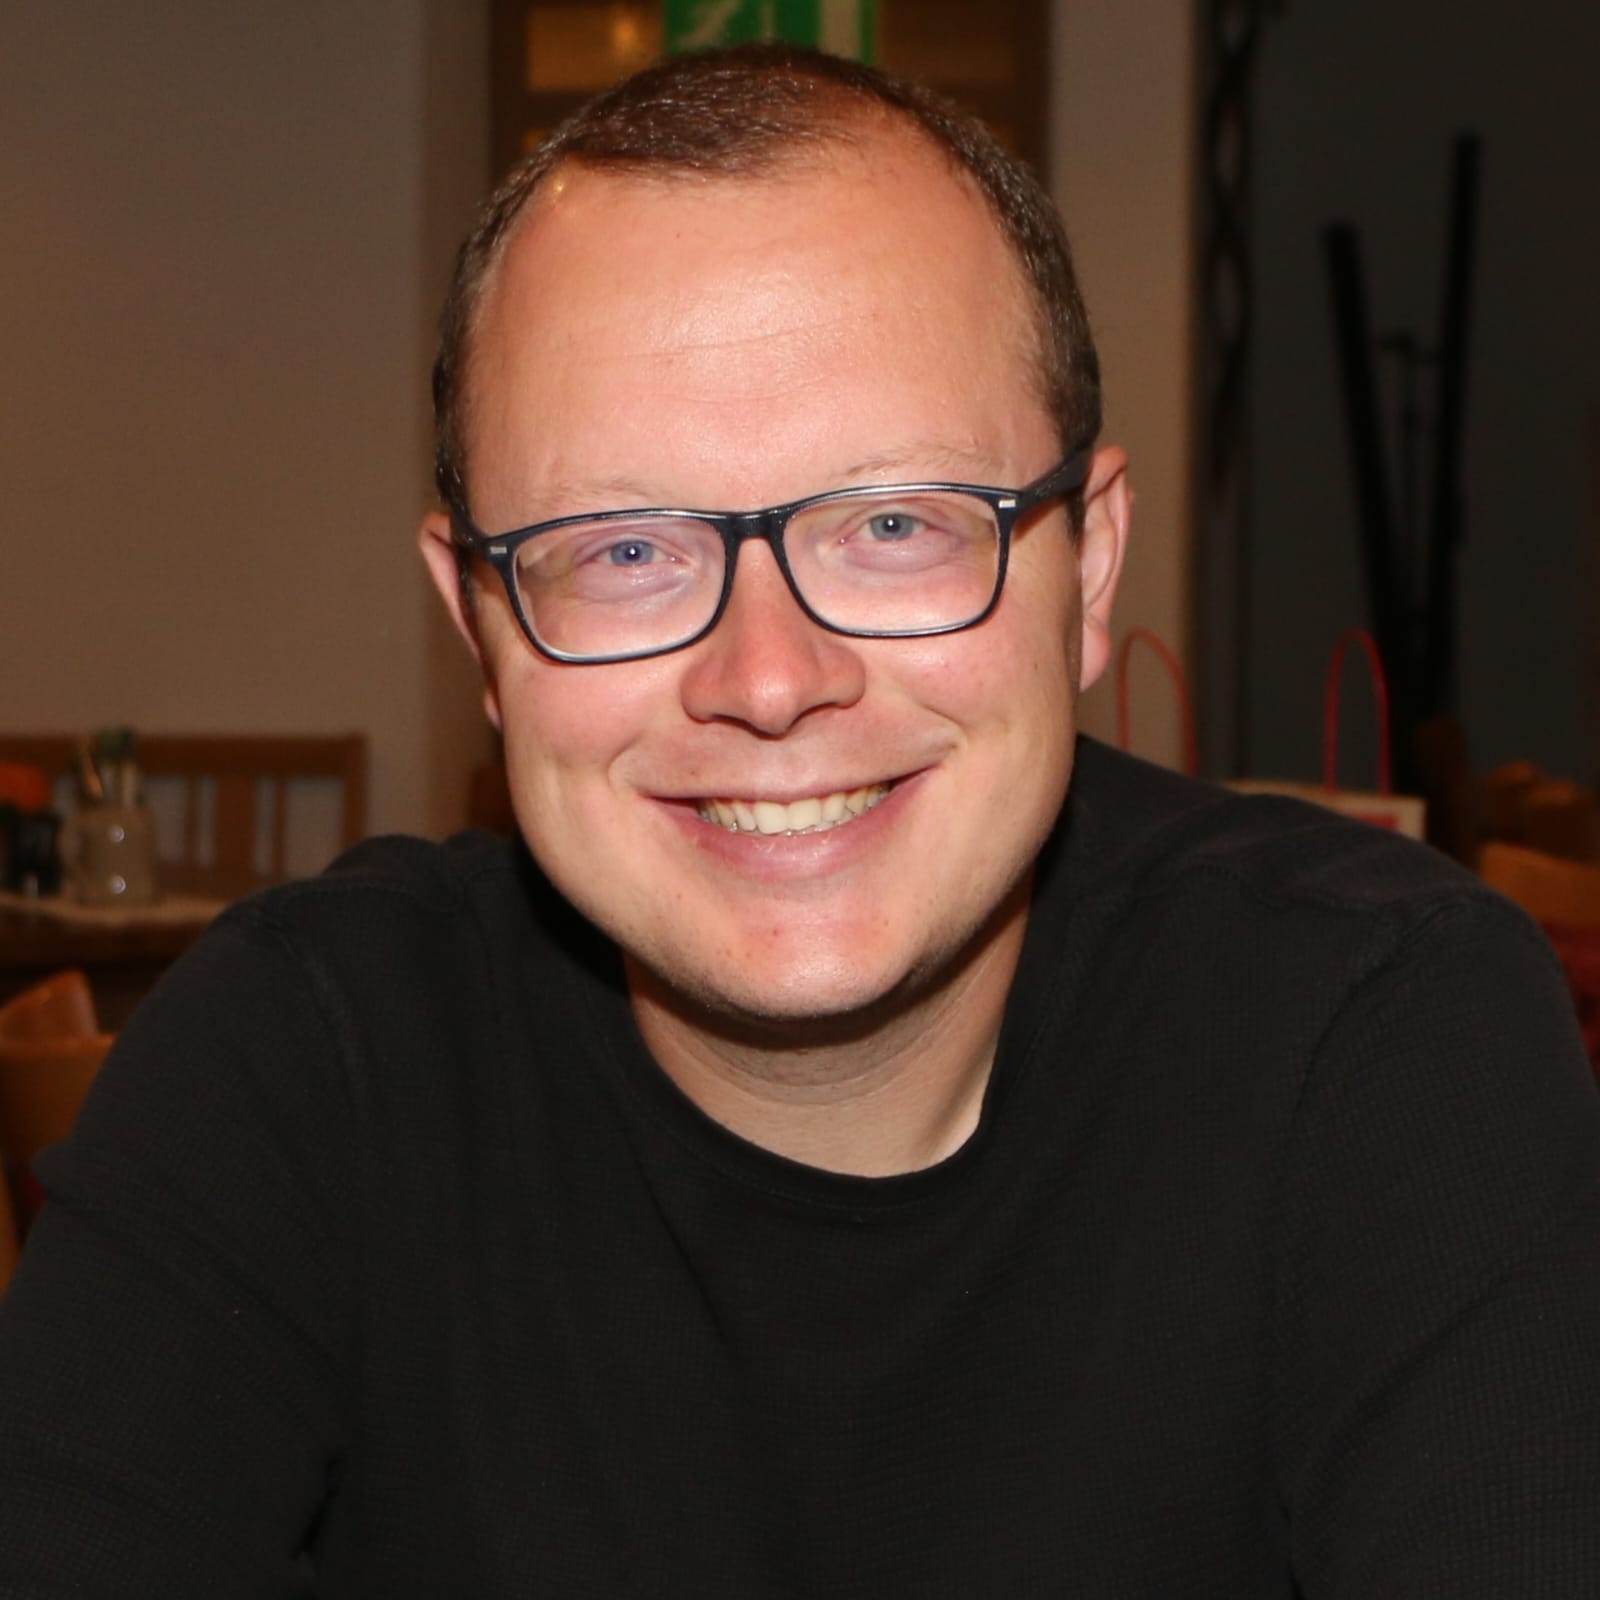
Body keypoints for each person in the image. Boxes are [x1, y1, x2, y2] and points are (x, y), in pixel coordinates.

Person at [2, 42, 1598, 1597]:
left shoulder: (1383, 1035)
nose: (768, 680)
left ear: (1090, 568)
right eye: (624, 549)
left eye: (896, 521)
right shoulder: (301, 1059)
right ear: (478, 625)